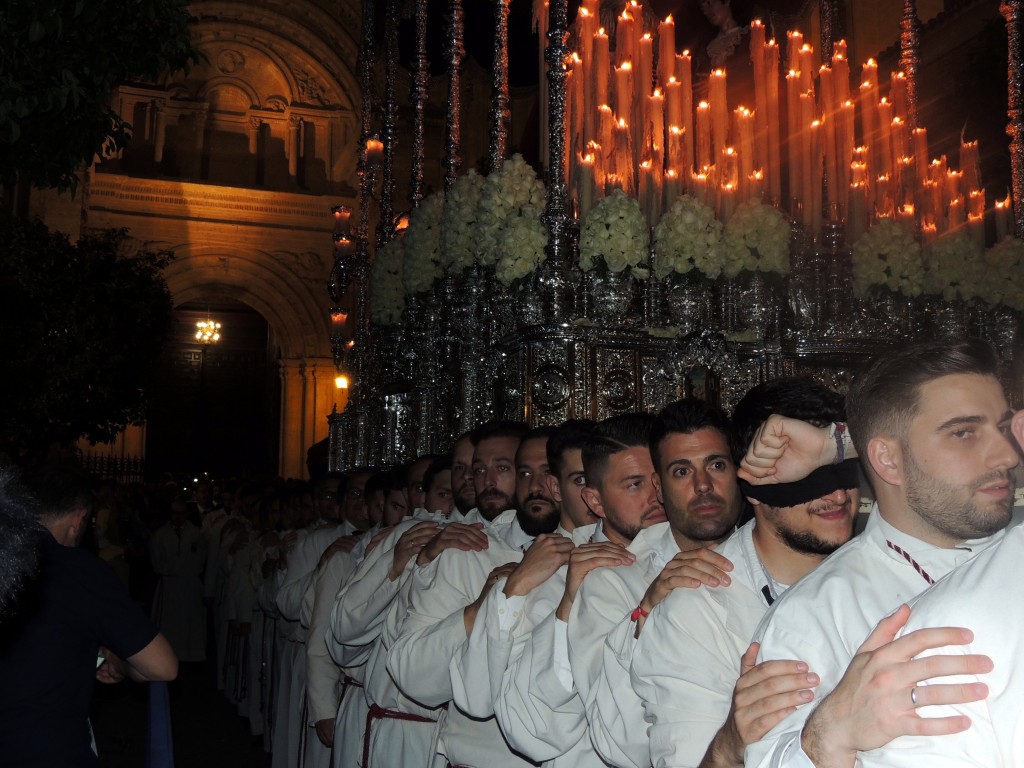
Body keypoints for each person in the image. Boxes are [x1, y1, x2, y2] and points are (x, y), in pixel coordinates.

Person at [746, 339, 1018, 768]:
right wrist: (825, 738)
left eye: (1003, 428)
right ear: (887, 460)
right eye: (964, 433)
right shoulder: (815, 617)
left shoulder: (1014, 551)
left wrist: (836, 444)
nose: (1007, 455)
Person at [630, 379, 857, 768]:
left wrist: (839, 441)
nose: (837, 496)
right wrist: (730, 745)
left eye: (843, 469)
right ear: (753, 488)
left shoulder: (887, 564)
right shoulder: (697, 613)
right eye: (809, 478)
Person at [568, 405, 740, 768]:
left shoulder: (775, 557)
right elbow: (622, 742)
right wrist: (646, 612)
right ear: (660, 487)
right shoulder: (614, 580)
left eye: (716, 465)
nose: (703, 485)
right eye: (682, 471)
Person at [0, 465, 177, 767]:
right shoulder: (77, 570)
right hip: (45, 751)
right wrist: (119, 663)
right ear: (77, 519)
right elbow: (163, 666)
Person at [150, 495, 207, 663]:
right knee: (169, 625)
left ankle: (190, 656)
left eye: (181, 513)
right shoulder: (161, 535)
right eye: (174, 513)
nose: (177, 517)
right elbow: (156, 559)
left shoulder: (196, 534)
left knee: (190, 623)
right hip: (169, 585)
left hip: (189, 584)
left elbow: (201, 557)